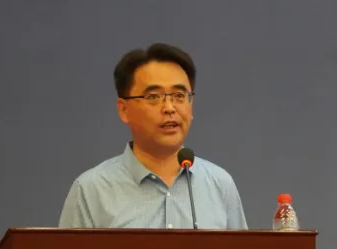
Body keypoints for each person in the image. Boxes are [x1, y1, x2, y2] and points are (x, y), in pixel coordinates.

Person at [58, 43, 248, 230]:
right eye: (154, 97)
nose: (169, 108)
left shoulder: (220, 185)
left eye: (179, 95)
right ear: (124, 110)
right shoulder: (91, 190)